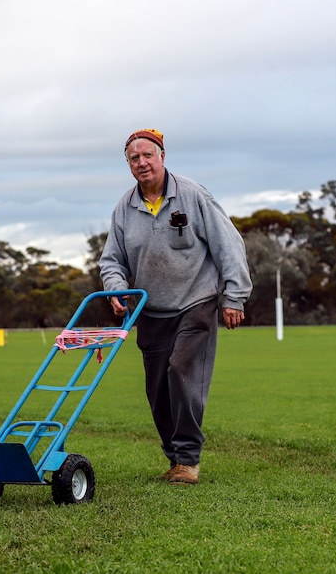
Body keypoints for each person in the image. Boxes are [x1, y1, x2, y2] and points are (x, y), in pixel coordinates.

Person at [99, 128, 253, 485]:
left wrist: (234, 297)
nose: (142, 163)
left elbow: (229, 245)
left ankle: (188, 460)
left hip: (195, 301)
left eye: (147, 155)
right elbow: (112, 260)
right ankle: (175, 457)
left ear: (162, 157)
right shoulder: (125, 207)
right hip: (150, 309)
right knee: (157, 388)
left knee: (181, 371)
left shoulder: (193, 195)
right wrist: (117, 289)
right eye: (134, 159)